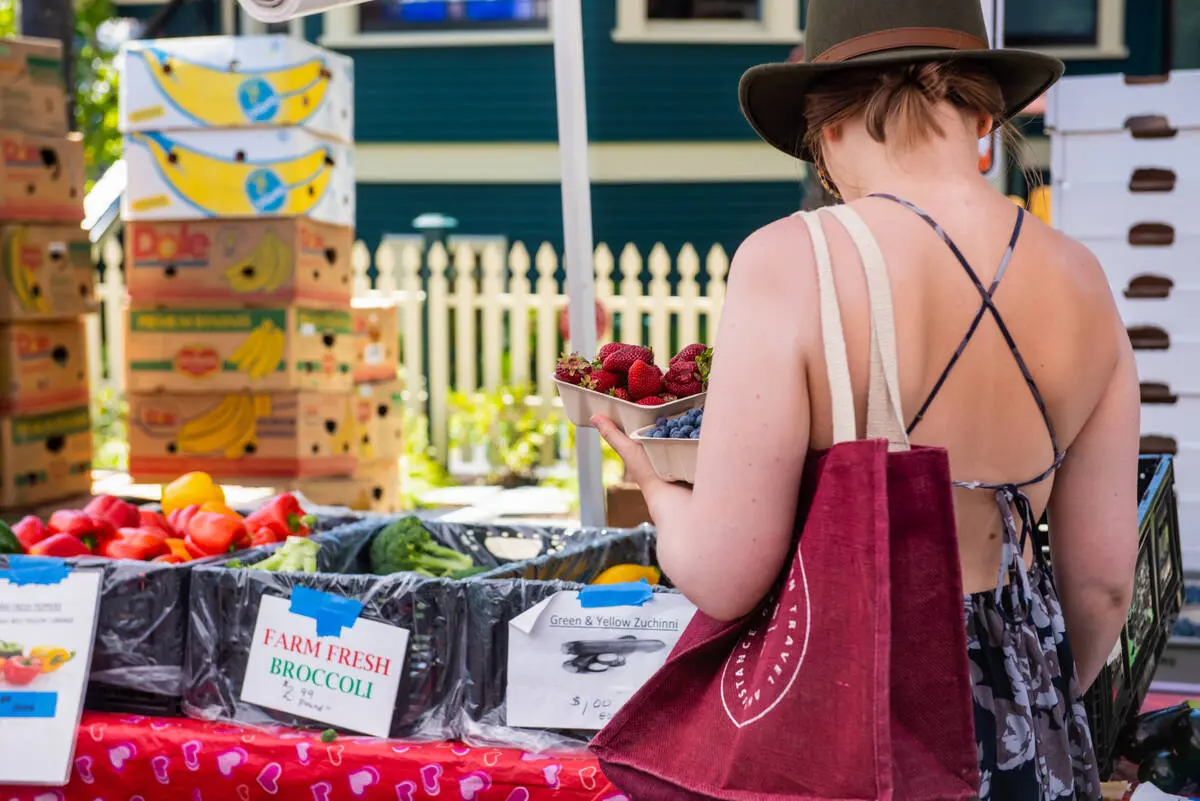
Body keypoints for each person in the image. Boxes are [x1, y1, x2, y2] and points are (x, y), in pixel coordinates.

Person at [593, 0, 1140, 797]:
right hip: (1031, 723)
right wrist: (1031, 696)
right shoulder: (1084, 278)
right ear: (983, 118)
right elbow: (1102, 586)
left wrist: (653, 485)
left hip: (860, 713)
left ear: (830, 126)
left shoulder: (793, 259)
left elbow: (724, 574)